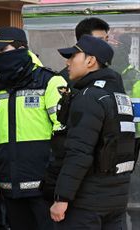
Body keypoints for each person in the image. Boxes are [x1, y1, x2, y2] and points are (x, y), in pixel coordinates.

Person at [0, 26, 67, 230]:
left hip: (45, 190)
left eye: (3, 50)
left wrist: (58, 178)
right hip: (9, 188)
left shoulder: (50, 82)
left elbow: (65, 133)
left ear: (21, 48)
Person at [51, 35, 135, 229]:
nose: (68, 62)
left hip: (87, 202)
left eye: (73, 56)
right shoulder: (119, 95)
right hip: (115, 199)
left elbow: (79, 152)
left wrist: (61, 198)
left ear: (90, 61)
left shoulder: (88, 97)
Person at [59, 17, 110, 82]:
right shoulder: (62, 80)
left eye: (107, 40)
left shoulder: (111, 75)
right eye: (100, 41)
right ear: (83, 42)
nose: (106, 46)